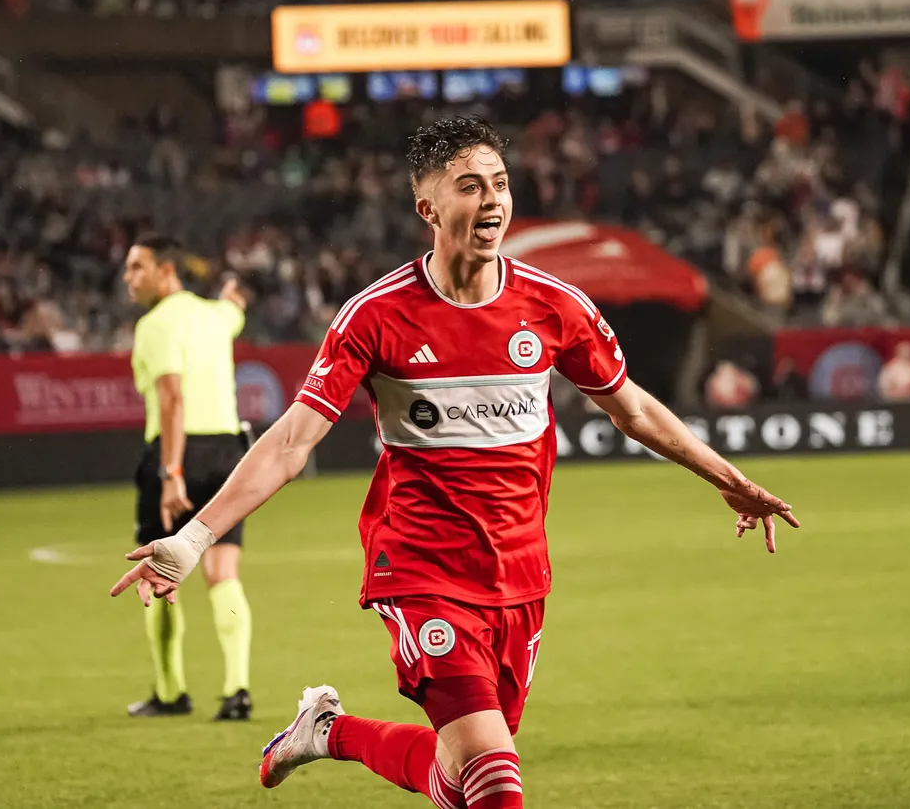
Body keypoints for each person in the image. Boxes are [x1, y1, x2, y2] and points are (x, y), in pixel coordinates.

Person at [110, 117, 797, 808]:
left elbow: (634, 409)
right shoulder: (376, 316)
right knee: (496, 779)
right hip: (422, 568)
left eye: (500, 183)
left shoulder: (555, 307)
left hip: (519, 575)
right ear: (428, 208)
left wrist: (731, 481)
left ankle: (328, 731)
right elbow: (291, 442)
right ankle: (335, 729)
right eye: (470, 186)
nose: (492, 199)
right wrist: (192, 538)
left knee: (457, 778)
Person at [122, 235, 254, 721]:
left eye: (138, 267)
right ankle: (237, 689)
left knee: (159, 573)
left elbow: (172, 398)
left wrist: (171, 472)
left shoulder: (155, 325)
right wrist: (233, 296)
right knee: (223, 573)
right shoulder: (216, 316)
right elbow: (235, 309)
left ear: (166, 271)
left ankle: (170, 692)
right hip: (226, 454)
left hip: (177, 453)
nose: (128, 278)